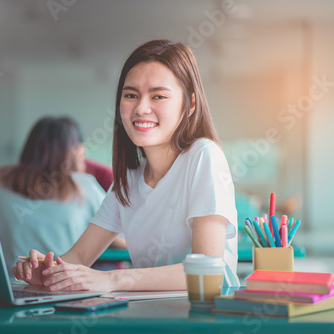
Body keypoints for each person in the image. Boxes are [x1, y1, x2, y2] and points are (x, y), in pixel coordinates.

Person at [13, 39, 240, 291]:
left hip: (206, 321)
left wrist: (112, 279)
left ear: (191, 105)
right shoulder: (130, 178)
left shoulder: (203, 156)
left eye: (159, 96)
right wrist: (46, 273)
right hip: (152, 318)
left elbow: (207, 270)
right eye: (131, 95)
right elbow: (78, 257)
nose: (141, 108)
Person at [0, 116, 123, 274]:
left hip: (10, 284)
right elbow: (120, 237)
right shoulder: (84, 185)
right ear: (72, 150)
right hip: (62, 284)